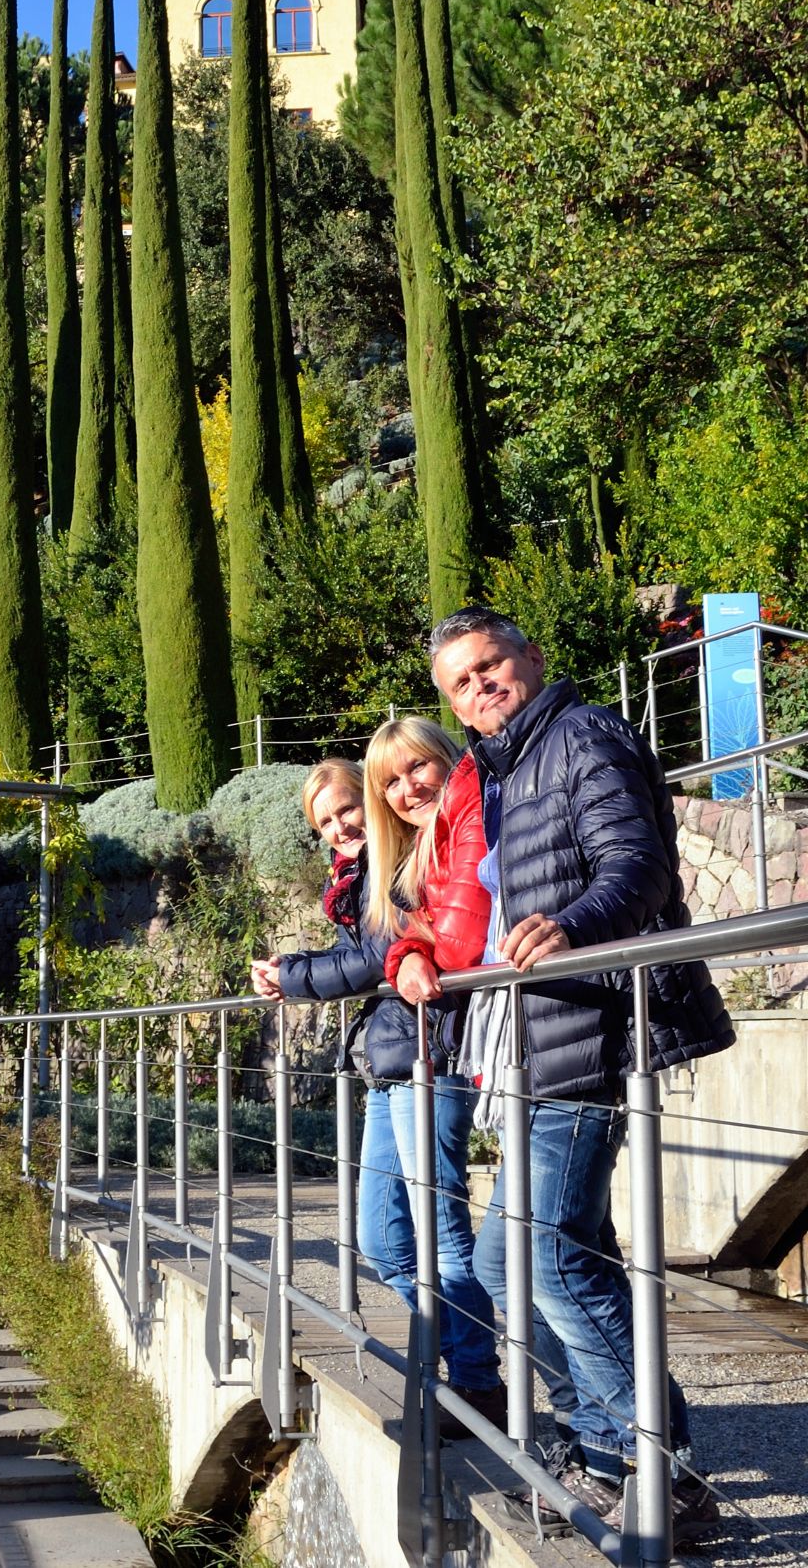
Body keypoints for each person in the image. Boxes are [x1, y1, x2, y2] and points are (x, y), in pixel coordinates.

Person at [428, 606, 734, 1538]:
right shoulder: (508, 764)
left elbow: (634, 866)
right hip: (550, 1033)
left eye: (490, 666)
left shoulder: (582, 733)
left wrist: (571, 928)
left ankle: (660, 1472)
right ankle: (611, 1451)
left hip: (594, 1025)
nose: (480, 686)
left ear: (532, 657)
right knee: (519, 1257)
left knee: (548, 1257)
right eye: (461, 682)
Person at [252, 744, 503, 1425]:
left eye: (346, 809)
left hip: (430, 1059)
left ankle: (479, 1385)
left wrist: (291, 978)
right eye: (323, 822)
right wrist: (293, 967)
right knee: (387, 1241)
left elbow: (370, 959)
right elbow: (363, 955)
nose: (338, 827)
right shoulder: (363, 873)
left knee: (441, 1237)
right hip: (394, 1065)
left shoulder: (398, 864)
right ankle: (470, 1370)